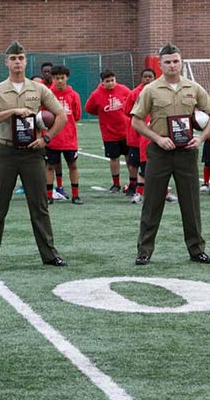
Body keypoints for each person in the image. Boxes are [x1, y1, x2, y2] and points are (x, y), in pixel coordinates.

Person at [0, 41, 67, 268]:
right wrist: (12, 111)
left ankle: (50, 254)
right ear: (6, 62)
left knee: (39, 206)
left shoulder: (38, 89)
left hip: (32, 153)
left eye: (21, 58)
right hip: (6, 151)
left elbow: (61, 116)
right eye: (13, 59)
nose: (17, 62)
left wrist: (46, 138)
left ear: (26, 61)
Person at [131, 43, 210, 265]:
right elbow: (136, 121)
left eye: (176, 61)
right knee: (152, 202)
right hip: (159, 152)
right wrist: (157, 138)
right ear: (160, 64)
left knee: (191, 203)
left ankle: (197, 249)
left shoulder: (193, 88)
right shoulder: (151, 89)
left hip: (187, 152)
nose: (172, 65)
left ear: (181, 62)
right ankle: (144, 251)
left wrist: (201, 138)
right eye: (168, 62)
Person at [85, 70, 133, 194]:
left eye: (112, 80)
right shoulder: (96, 94)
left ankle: (133, 182)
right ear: (102, 82)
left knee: (130, 157)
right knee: (114, 158)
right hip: (109, 133)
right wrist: (102, 113)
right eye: (107, 81)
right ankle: (116, 183)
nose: (111, 83)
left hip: (126, 131)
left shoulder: (123, 89)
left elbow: (132, 101)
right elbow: (89, 108)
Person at [46, 65, 83, 205]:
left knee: (72, 165)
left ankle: (75, 195)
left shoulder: (74, 95)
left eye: (62, 78)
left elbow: (77, 115)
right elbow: (43, 115)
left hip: (69, 139)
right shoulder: (47, 94)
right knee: (50, 166)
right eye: (56, 78)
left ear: (67, 77)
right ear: (52, 79)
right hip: (52, 138)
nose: (60, 81)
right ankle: (49, 196)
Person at [124, 68, 156, 204]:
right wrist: (139, 120)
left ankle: (162, 191)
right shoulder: (135, 93)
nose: (148, 79)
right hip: (137, 134)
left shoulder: (159, 92)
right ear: (141, 78)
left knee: (155, 164)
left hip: (154, 133)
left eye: (150, 77)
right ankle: (134, 187)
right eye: (145, 77)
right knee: (135, 162)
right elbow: (127, 110)